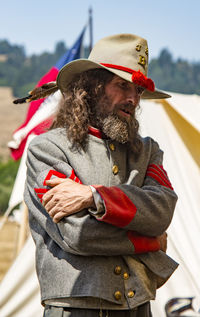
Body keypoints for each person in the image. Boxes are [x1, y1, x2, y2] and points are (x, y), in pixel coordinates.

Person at [24, 33, 178, 317]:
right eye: (122, 85)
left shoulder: (147, 151)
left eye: (138, 90)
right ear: (93, 87)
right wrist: (152, 241)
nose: (133, 98)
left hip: (138, 307)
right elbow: (78, 234)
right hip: (75, 308)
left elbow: (162, 211)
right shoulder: (47, 150)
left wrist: (92, 196)